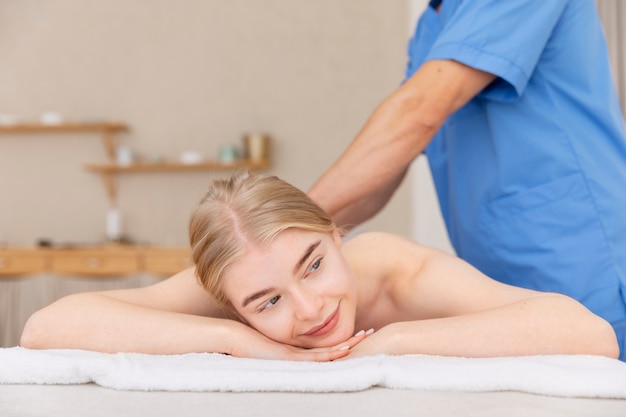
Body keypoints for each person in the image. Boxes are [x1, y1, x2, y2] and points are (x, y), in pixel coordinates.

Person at [307, 0, 626, 361]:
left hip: (579, 254)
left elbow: (417, 113)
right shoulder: (434, 22)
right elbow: (388, 167)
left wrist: (284, 225)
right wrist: (293, 251)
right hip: (491, 274)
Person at [20, 172, 619, 360]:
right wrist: (232, 338)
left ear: (338, 233)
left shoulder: (394, 271)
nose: (311, 311)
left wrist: (391, 343)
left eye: (314, 264)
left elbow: (589, 334)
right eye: (267, 303)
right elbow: (45, 330)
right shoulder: (233, 290)